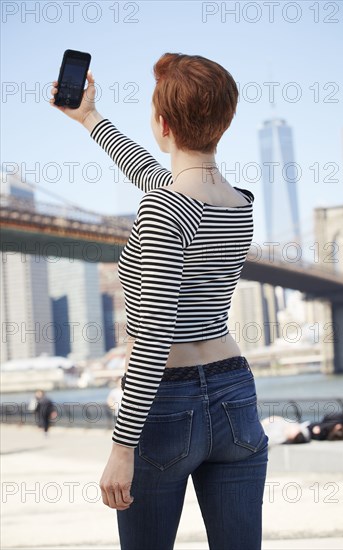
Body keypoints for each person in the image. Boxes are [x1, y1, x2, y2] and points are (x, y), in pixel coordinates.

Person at [50, 53, 269, 550]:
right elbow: (154, 175)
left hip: (167, 402)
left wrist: (122, 449)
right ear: (225, 121)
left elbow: (153, 336)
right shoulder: (240, 204)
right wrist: (88, 117)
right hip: (236, 391)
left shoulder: (164, 209)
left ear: (163, 124)